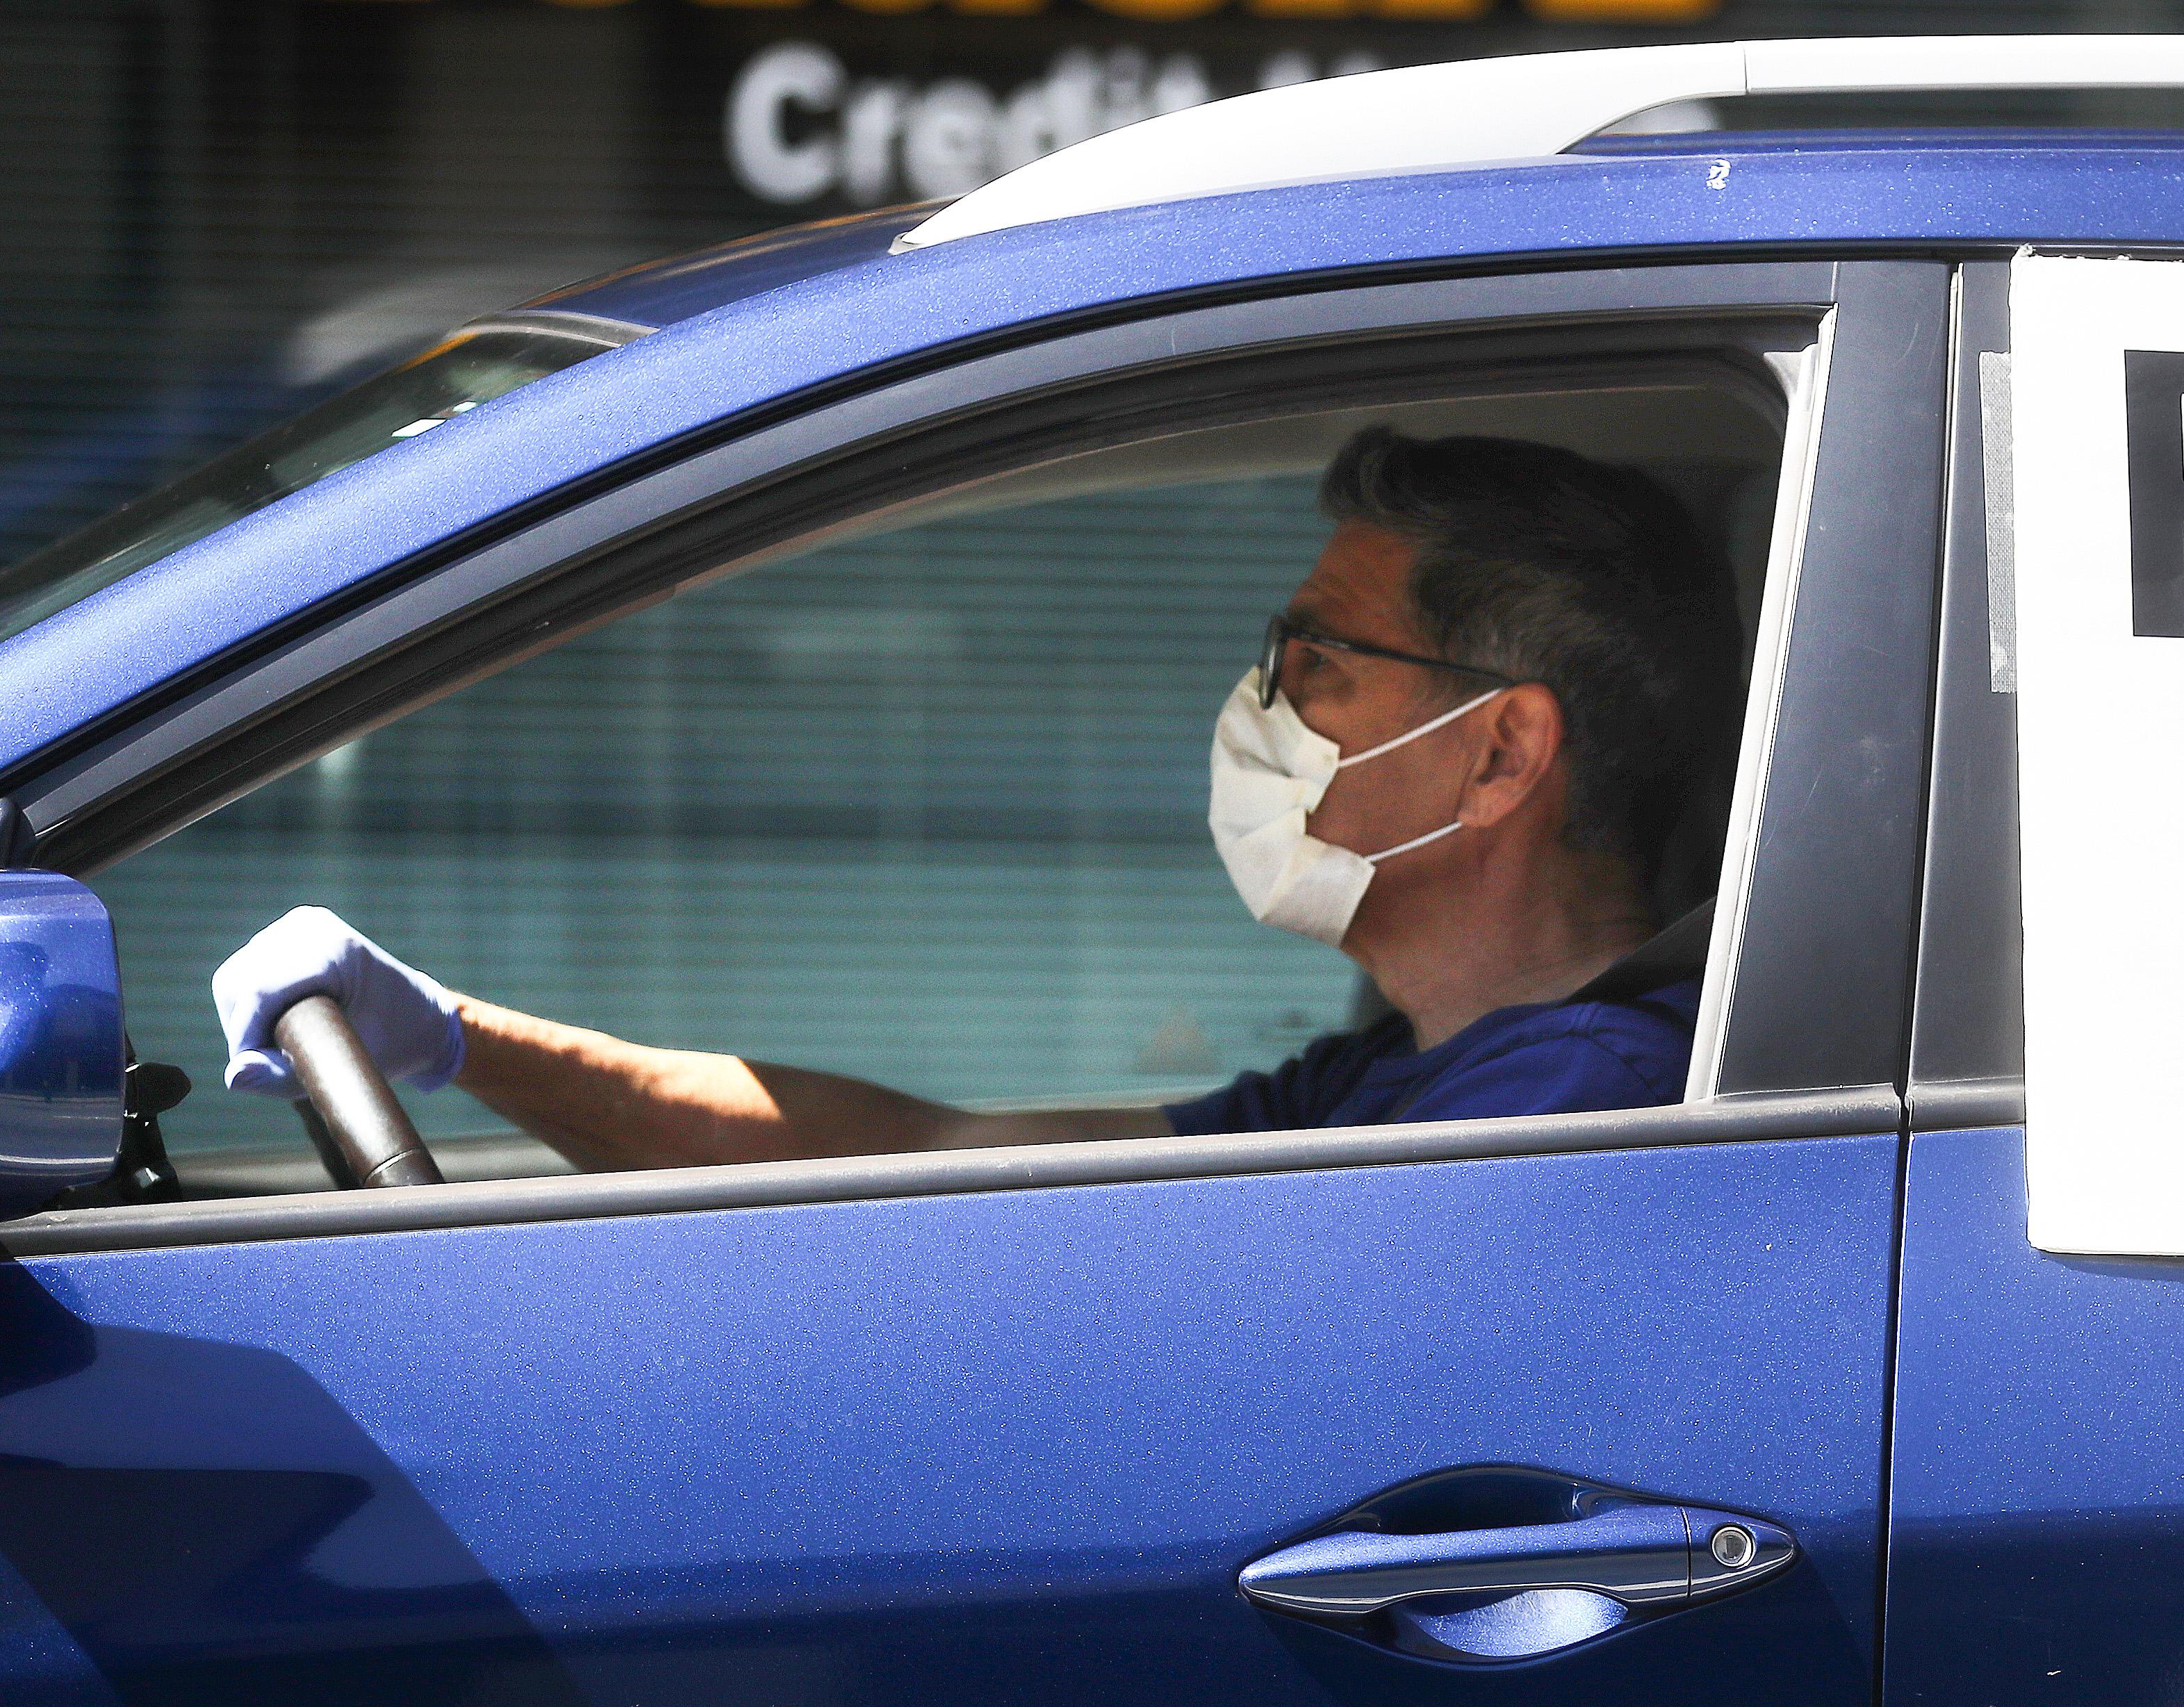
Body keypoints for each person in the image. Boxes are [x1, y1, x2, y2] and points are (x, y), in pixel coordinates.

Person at [207, 430, 1745, 1170]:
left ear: (1498, 755)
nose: (1259, 701)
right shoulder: (1392, 1089)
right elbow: (936, 1147)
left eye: (1315, 660)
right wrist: (469, 1040)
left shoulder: (1558, 1112)